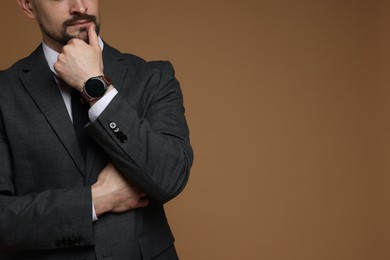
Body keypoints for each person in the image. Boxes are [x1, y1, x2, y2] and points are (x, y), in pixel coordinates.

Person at [0, 0, 193, 259]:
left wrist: (96, 87)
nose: (79, 6)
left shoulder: (152, 77)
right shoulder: (4, 93)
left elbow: (170, 177)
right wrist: (94, 200)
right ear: (28, 6)